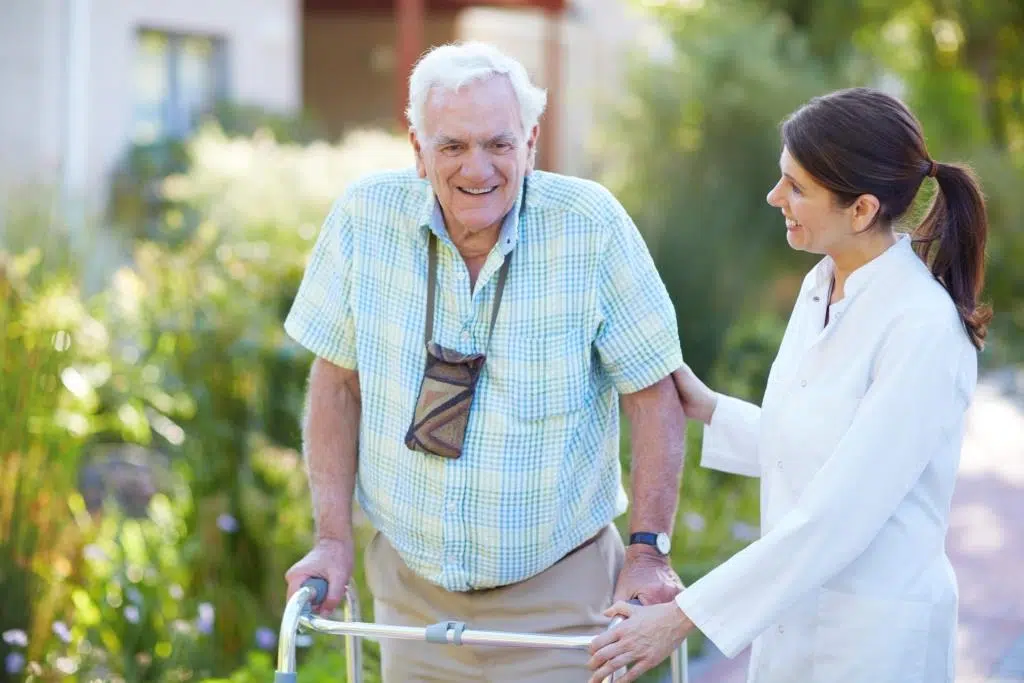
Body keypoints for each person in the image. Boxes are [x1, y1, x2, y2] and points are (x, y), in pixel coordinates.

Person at [282, 41, 688, 682]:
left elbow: (653, 394)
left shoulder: (591, 226)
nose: (479, 168)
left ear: (530, 143)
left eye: (499, 144)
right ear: (418, 151)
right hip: (408, 601)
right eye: (452, 146)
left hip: (563, 602)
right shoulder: (364, 219)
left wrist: (648, 551)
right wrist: (332, 541)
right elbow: (335, 386)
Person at [588, 87, 991, 683]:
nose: (776, 197)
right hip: (795, 628)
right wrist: (712, 410)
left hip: (872, 644)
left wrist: (684, 617)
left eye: (797, 187)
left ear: (861, 210)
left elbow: (840, 512)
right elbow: (815, 450)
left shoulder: (923, 329)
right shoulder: (821, 285)